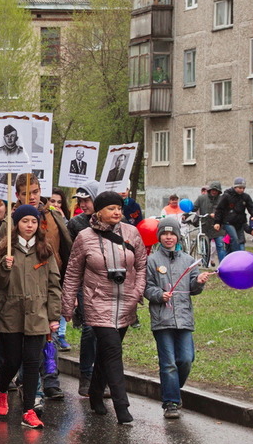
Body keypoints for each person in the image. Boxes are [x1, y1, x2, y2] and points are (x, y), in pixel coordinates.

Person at [61, 191, 146, 425]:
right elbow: (72, 273)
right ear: (98, 211)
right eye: (111, 208)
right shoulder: (85, 237)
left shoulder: (132, 233)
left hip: (126, 303)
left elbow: (141, 266)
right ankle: (122, 406)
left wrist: (136, 293)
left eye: (119, 208)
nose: (117, 212)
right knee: (112, 351)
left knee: (106, 353)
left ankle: (96, 394)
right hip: (97, 303)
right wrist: (68, 306)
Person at [0, 204, 61, 430]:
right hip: (10, 312)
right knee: (11, 361)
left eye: (33, 221)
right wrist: (4, 267)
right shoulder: (5, 248)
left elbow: (54, 285)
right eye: (24, 221)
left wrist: (53, 315)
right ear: (16, 224)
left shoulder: (45, 249)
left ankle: (28, 410)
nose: (29, 226)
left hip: (37, 314)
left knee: (32, 363)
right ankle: (2, 389)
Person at [143, 217, 211, 418]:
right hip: (162, 319)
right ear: (159, 237)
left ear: (178, 237)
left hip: (184, 318)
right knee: (168, 363)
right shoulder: (152, 260)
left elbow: (193, 289)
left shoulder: (189, 261)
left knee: (186, 359)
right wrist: (158, 295)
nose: (168, 237)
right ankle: (171, 402)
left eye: (172, 234)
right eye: (164, 233)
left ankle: (170, 387)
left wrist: (198, 282)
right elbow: (146, 287)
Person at [66, 181, 100, 393]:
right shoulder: (75, 224)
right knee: (89, 329)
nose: (82, 204)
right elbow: (71, 258)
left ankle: (101, 377)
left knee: (104, 332)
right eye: (79, 200)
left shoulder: (115, 221)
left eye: (86, 200)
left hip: (105, 284)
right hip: (83, 283)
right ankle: (85, 376)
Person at [214, 177, 253, 254]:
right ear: (235, 187)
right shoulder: (227, 196)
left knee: (240, 242)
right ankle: (236, 256)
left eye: (243, 188)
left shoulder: (245, 197)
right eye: (240, 188)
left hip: (240, 222)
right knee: (234, 238)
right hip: (228, 222)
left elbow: (252, 207)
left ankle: (235, 255)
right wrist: (217, 222)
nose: (242, 190)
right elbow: (219, 209)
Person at [195, 180, 224, 262]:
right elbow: (194, 207)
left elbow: (225, 211)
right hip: (205, 226)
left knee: (220, 245)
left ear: (219, 191)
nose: (214, 192)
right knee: (205, 246)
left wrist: (217, 215)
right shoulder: (201, 198)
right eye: (212, 190)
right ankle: (205, 263)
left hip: (218, 227)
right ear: (209, 190)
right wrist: (186, 213)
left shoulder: (222, 200)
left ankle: (222, 264)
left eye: (216, 190)